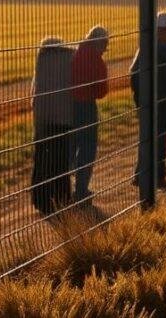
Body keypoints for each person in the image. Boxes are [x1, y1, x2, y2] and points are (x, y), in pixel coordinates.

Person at [129, 11, 166, 188]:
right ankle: (158, 176)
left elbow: (133, 74)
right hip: (163, 100)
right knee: (160, 138)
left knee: (146, 137)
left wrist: (139, 98)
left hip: (146, 101)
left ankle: (140, 174)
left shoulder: (145, 48)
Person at [30, 36, 74, 215]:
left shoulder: (41, 63)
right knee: (60, 160)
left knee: (41, 160)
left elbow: (34, 94)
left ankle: (41, 199)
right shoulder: (66, 60)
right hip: (61, 120)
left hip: (42, 121)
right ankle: (61, 198)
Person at [69, 25, 109, 203]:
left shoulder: (75, 53)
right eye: (105, 45)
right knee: (87, 148)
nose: (105, 50)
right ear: (100, 43)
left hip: (69, 106)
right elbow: (101, 91)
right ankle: (81, 190)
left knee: (70, 147)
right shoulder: (96, 61)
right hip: (86, 107)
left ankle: (62, 187)